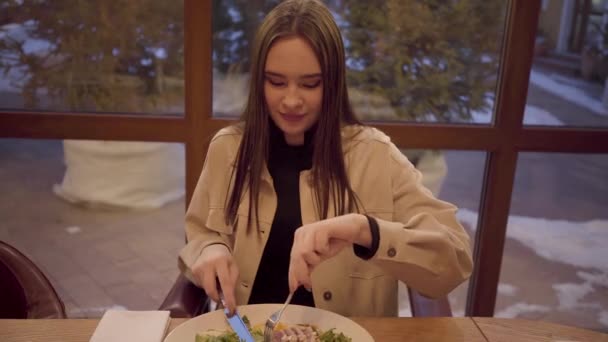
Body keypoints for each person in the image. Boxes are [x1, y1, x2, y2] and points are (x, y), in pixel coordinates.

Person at [178, 0, 473, 317]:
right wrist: (211, 248)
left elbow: (454, 260)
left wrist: (366, 232)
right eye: (276, 82)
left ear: (333, 83)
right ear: (258, 82)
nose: (291, 100)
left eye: (310, 84)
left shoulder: (375, 156)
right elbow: (201, 233)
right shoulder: (229, 150)